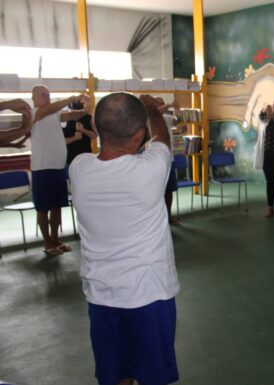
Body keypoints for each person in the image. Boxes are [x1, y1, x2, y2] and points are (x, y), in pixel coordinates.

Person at [69, 93, 180, 385]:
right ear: (139, 134)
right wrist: (153, 109)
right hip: (149, 296)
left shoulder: (79, 168)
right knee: (155, 377)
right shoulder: (151, 170)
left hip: (102, 297)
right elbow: (162, 138)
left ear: (93, 122)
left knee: (116, 376)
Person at [31, 85, 89, 256]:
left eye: (49, 95)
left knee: (57, 206)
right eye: (43, 95)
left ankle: (55, 240)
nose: (47, 97)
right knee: (43, 208)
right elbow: (52, 108)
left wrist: (86, 107)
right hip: (42, 167)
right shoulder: (34, 113)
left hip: (58, 166)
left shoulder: (54, 114)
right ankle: (47, 242)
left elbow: (74, 115)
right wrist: (72, 98)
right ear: (34, 97)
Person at [155, 97, 181, 226]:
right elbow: (156, 112)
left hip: (169, 159)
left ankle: (169, 216)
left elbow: (178, 123)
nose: (162, 105)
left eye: (162, 103)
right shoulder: (151, 118)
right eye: (159, 103)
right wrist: (170, 104)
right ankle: (158, 219)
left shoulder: (166, 117)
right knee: (156, 191)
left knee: (169, 190)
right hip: (155, 161)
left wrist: (178, 110)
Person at [63, 100, 97, 165]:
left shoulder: (88, 118)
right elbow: (63, 141)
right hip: (70, 159)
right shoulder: (65, 120)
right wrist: (75, 138)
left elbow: (94, 136)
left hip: (86, 157)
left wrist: (83, 130)